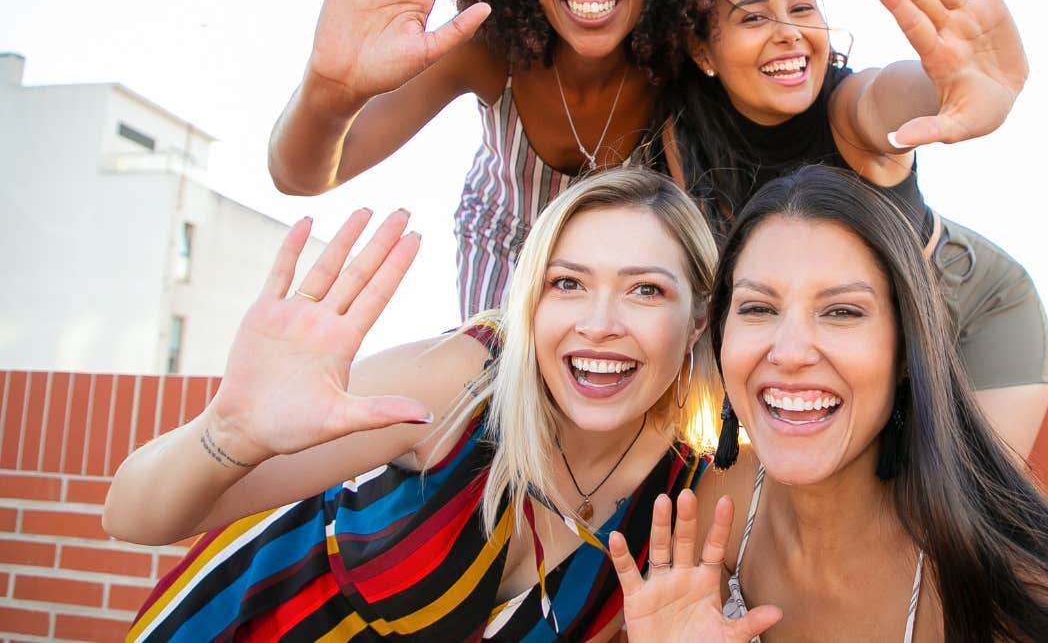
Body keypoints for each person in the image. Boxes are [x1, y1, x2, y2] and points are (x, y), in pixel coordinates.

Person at [105, 168, 721, 641]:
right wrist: (230, 432)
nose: (599, 322)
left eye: (645, 290)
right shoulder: (463, 382)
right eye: (567, 283)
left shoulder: (689, 497)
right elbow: (133, 517)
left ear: (696, 320)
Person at [607, 166, 1048, 643]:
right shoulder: (718, 507)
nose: (788, 352)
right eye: (758, 308)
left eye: (841, 311)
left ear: (907, 350)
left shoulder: (1007, 597)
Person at [266, 0, 757, 321]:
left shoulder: (680, 69)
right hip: (506, 255)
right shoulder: (486, 52)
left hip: (630, 267)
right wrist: (328, 87)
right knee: (500, 401)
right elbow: (301, 175)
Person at [661, 0, 1048, 456]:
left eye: (802, 9)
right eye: (753, 16)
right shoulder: (686, 135)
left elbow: (888, 95)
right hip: (851, 334)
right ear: (703, 48)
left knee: (958, 519)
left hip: (970, 307)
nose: (788, 32)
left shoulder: (849, 110)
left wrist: (947, 86)